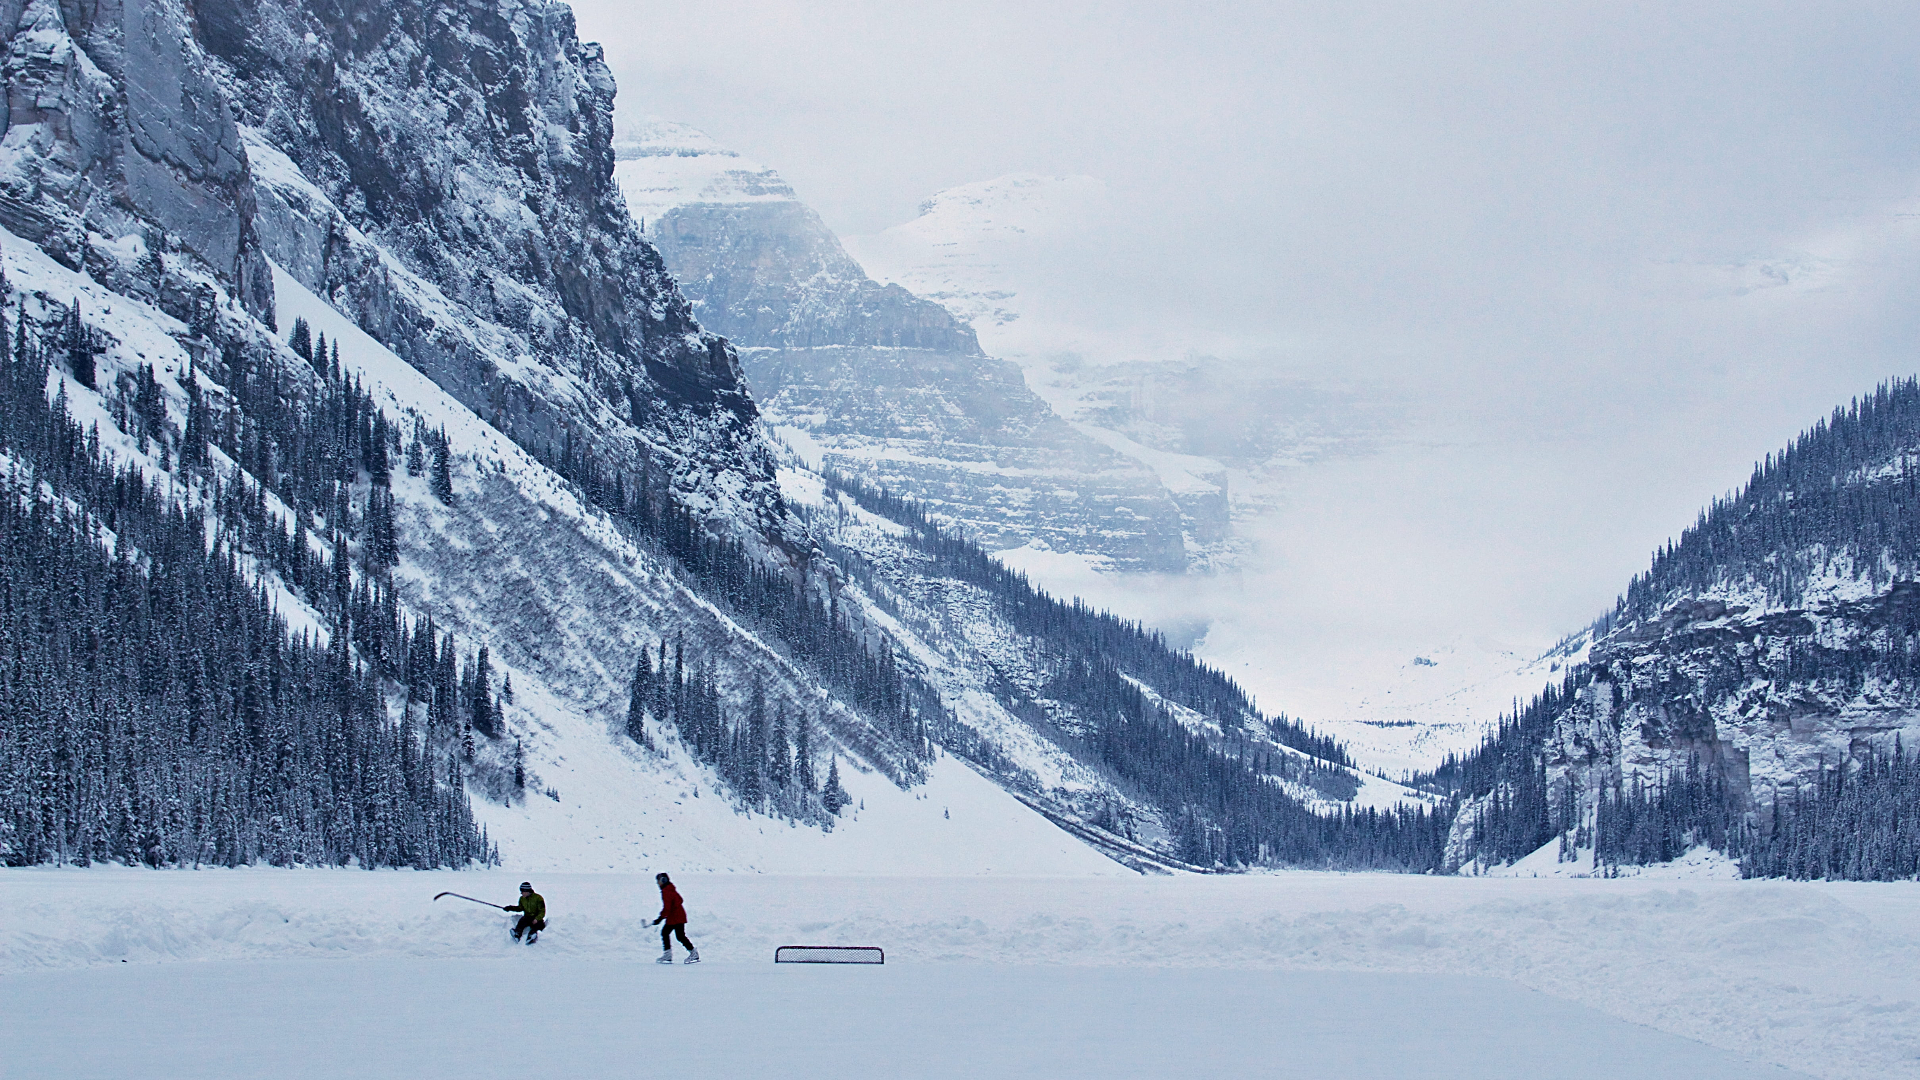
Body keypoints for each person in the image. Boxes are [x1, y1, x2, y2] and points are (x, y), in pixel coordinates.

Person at [651, 872, 699, 963]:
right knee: (678, 935)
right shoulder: (670, 889)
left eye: (658, 881)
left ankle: (669, 955)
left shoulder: (666, 891)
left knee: (668, 934)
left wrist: (660, 919)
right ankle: (692, 953)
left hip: (675, 917)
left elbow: (667, 908)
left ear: (663, 881)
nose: (657, 883)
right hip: (677, 916)